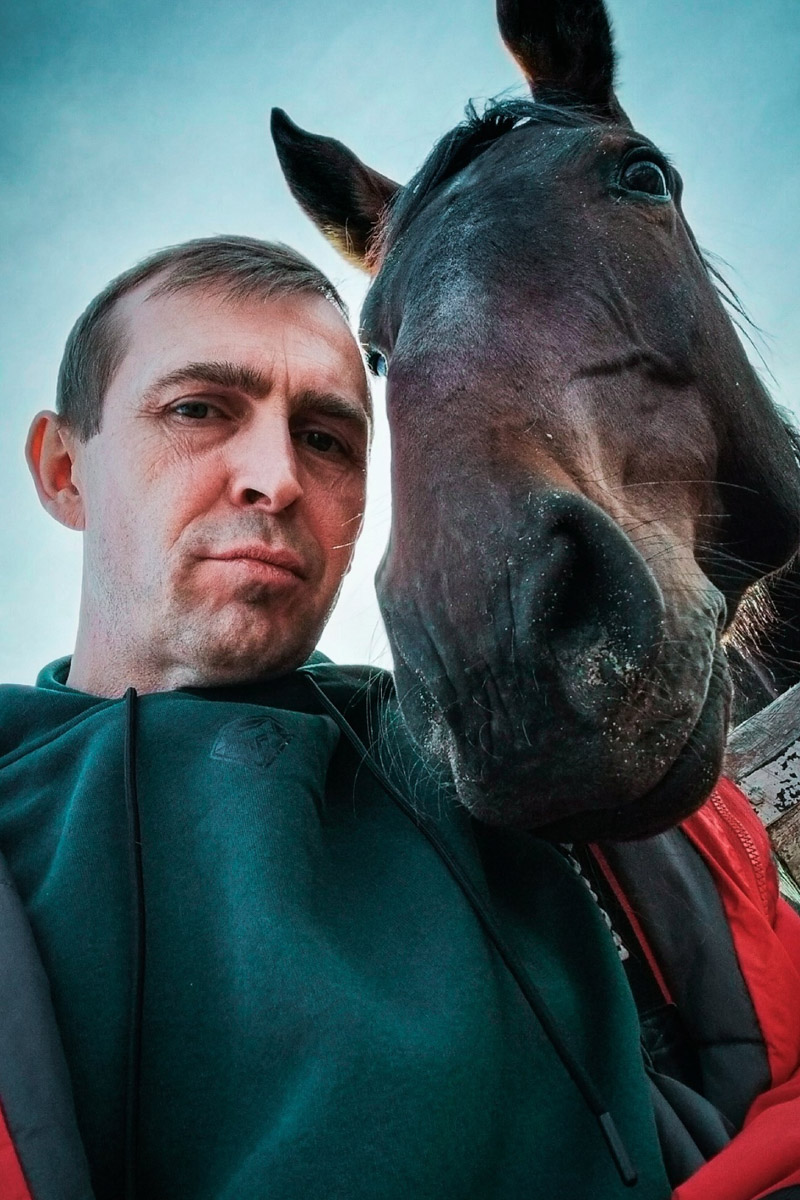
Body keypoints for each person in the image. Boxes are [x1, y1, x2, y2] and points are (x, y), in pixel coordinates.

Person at [0, 235, 798, 1200]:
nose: (278, 477)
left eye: (328, 438)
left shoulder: (504, 749)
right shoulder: (17, 817)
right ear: (63, 470)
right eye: (199, 410)